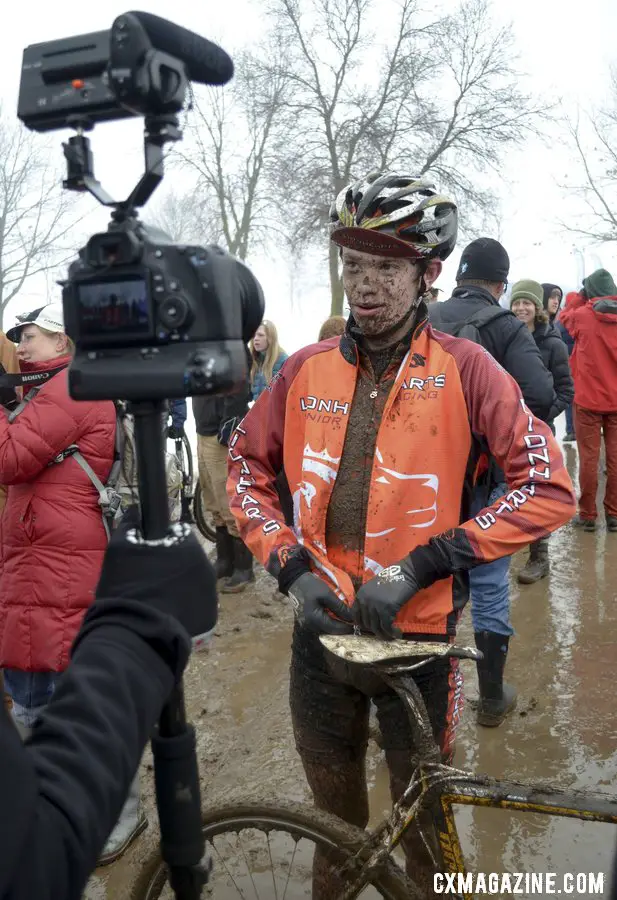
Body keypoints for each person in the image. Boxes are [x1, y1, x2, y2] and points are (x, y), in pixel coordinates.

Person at [227, 172, 575, 896]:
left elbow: (549, 488)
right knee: (336, 832)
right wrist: (291, 572)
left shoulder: (467, 367)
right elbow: (244, 474)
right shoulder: (301, 370)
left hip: (418, 643)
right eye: (353, 265)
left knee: (428, 839)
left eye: (386, 265)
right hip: (318, 641)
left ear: (428, 275)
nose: (364, 284)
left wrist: (424, 565)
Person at [0, 304, 154, 863]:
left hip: (65, 564)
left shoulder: (73, 387)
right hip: (40, 562)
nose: (20, 345)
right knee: (35, 696)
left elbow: (9, 457)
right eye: (16, 336)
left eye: (31, 335)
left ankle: (119, 816)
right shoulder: (46, 390)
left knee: (70, 699)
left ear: (63, 337)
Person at [0, 516, 216, 900]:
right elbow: (28, 861)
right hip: (26, 572)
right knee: (30, 693)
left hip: (57, 563)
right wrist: (132, 637)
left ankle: (125, 814)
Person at [429, 238, 556, 727]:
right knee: (486, 581)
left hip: (417, 475)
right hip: (484, 478)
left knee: (420, 576)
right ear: (501, 284)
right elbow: (542, 394)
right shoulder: (504, 327)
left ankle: (415, 695)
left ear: (459, 276)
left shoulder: (421, 317)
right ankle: (492, 696)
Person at [510, 280, 574, 583]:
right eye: (516, 303)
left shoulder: (553, 343)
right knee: (508, 491)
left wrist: (543, 419)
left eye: (527, 303)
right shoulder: (504, 337)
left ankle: (539, 557)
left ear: (538, 307)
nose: (521, 308)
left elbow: (566, 390)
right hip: (506, 428)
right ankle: (503, 545)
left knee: (537, 491)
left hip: (538, 431)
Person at [560, 268, 617, 533]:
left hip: (587, 401)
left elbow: (564, 318)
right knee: (615, 461)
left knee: (589, 459)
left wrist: (580, 298)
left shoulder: (582, 316)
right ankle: (614, 515)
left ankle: (588, 515)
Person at [193, 380, 254, 591]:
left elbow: (239, 386)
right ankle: (225, 561)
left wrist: (229, 422)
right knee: (213, 502)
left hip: (219, 435)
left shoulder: (227, 348)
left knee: (229, 502)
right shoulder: (201, 348)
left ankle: (244, 568)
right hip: (203, 430)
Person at [544, 282, 576, 442]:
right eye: (551, 297)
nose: (555, 301)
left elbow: (565, 389)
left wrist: (549, 411)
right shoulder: (524, 332)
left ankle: (571, 429)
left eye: (558, 297)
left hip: (545, 416)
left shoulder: (555, 329)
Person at [249, 320, 288, 401]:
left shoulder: (284, 361)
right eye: (254, 335)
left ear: (270, 338)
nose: (255, 339)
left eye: (260, 335)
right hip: (258, 411)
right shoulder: (253, 360)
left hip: (276, 412)